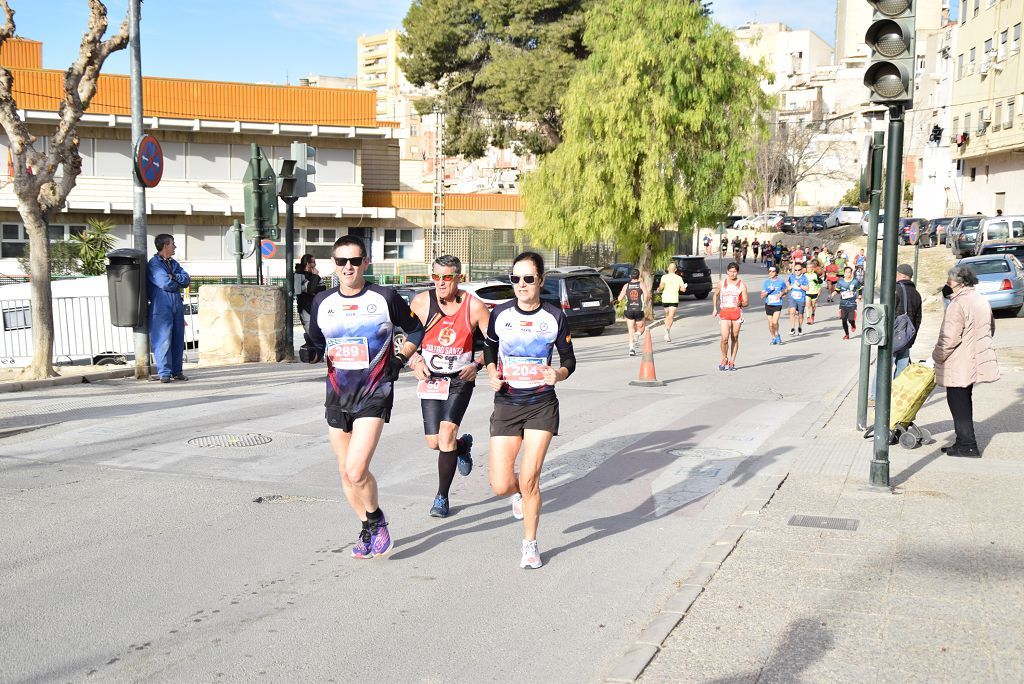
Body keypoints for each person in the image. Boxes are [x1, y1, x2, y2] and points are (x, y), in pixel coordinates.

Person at [307, 235, 426, 558]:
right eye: (342, 261)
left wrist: (401, 360)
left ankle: (377, 519)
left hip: (375, 392)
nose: (348, 267)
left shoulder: (384, 297)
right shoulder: (323, 301)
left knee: (357, 469)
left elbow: (416, 330)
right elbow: (317, 342)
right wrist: (312, 352)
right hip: (337, 394)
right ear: (334, 264)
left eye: (355, 261)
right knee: (345, 471)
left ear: (366, 263)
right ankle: (365, 525)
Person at [484, 252, 576, 569]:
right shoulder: (499, 313)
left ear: (540, 280)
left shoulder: (553, 316)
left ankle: (530, 545)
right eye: (515, 278)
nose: (521, 285)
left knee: (530, 477)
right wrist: (491, 372)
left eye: (527, 278)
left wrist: (558, 374)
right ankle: (519, 493)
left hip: (541, 404)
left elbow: (569, 361)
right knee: (500, 484)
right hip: (507, 403)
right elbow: (489, 348)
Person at [409, 255, 491, 518]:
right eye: (436, 277)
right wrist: (413, 359)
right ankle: (463, 447)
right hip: (431, 379)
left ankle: (442, 497)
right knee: (434, 442)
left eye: (447, 277)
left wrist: (476, 366)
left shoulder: (475, 307)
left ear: (460, 278)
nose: (441, 283)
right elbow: (405, 337)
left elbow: (494, 345)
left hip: (459, 379)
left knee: (445, 434)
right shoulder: (421, 302)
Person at [933, 265, 999, 458]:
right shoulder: (980, 300)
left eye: (949, 281)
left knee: (958, 403)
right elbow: (990, 328)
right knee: (964, 401)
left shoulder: (957, 304)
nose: (947, 284)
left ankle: (968, 445)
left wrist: (936, 357)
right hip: (972, 359)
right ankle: (962, 441)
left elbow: (949, 338)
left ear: (959, 283)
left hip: (958, 362)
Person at [870, 264, 923, 402]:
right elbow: (918, 319)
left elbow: (886, 314)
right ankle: (895, 396)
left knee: (884, 367)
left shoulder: (895, 290)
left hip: (892, 337)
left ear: (899, 275)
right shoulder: (916, 294)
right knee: (901, 370)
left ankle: (876, 396)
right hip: (906, 339)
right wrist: (911, 340)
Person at [147, 234, 191, 383]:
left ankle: (177, 371)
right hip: (161, 305)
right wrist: (174, 279)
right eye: (173, 244)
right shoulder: (154, 263)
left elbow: (186, 279)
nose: (175, 247)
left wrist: (175, 277)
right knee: (163, 339)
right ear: (165, 245)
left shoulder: (173, 263)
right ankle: (164, 373)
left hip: (176, 304)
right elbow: (165, 283)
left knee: (178, 338)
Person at [713, 262, 749, 370]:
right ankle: (724, 358)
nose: (732, 274)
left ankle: (732, 361)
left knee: (734, 337)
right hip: (724, 312)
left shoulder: (741, 284)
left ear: (737, 272)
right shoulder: (721, 283)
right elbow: (715, 294)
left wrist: (741, 304)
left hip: (736, 312)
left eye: (735, 271)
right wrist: (715, 308)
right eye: (731, 271)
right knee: (724, 338)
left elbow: (746, 302)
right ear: (727, 272)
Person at [295, 254, 325, 347]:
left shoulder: (315, 276)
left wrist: (313, 287)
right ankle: (314, 352)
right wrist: (315, 278)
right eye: (313, 262)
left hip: (316, 306)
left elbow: (323, 288)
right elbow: (310, 290)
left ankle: (317, 352)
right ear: (308, 263)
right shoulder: (299, 275)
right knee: (309, 329)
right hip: (305, 307)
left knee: (318, 329)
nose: (315, 264)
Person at [618, 269, 650, 356]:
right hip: (638, 309)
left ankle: (631, 349)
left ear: (630, 276)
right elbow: (647, 295)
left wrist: (624, 297)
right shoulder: (641, 284)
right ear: (638, 276)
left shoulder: (626, 285)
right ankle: (638, 335)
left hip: (628, 310)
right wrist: (645, 303)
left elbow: (619, 299)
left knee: (630, 329)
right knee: (641, 328)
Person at [656, 261, 687, 342]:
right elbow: (683, 289)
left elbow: (661, 286)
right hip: (673, 298)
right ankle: (667, 329)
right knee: (671, 316)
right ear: (675, 269)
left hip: (665, 298)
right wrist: (683, 288)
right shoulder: (679, 278)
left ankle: (667, 332)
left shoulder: (664, 277)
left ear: (667, 269)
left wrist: (659, 289)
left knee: (667, 315)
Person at [760, 266, 787, 345]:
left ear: (776, 272)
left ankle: (777, 335)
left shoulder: (780, 282)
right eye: (769, 271)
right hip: (768, 304)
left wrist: (782, 293)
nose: (770, 273)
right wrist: (769, 290)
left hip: (777, 304)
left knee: (775, 322)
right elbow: (762, 296)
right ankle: (773, 337)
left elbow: (786, 290)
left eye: (773, 271)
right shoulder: (766, 282)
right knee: (771, 324)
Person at [836, 266, 860, 339]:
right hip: (843, 304)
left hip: (852, 304)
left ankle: (853, 324)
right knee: (843, 320)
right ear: (844, 273)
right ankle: (847, 334)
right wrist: (833, 293)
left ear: (851, 273)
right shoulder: (840, 282)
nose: (847, 274)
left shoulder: (855, 281)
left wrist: (859, 297)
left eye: (849, 272)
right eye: (846, 272)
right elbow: (837, 290)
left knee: (851, 319)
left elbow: (860, 289)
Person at [786, 262, 809, 336]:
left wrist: (800, 285)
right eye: (795, 270)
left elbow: (807, 288)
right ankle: (792, 328)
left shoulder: (804, 278)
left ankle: (800, 327)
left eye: (799, 270)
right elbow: (787, 282)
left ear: (802, 270)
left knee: (800, 315)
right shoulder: (792, 276)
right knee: (792, 312)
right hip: (792, 298)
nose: (797, 271)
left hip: (801, 299)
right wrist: (789, 286)